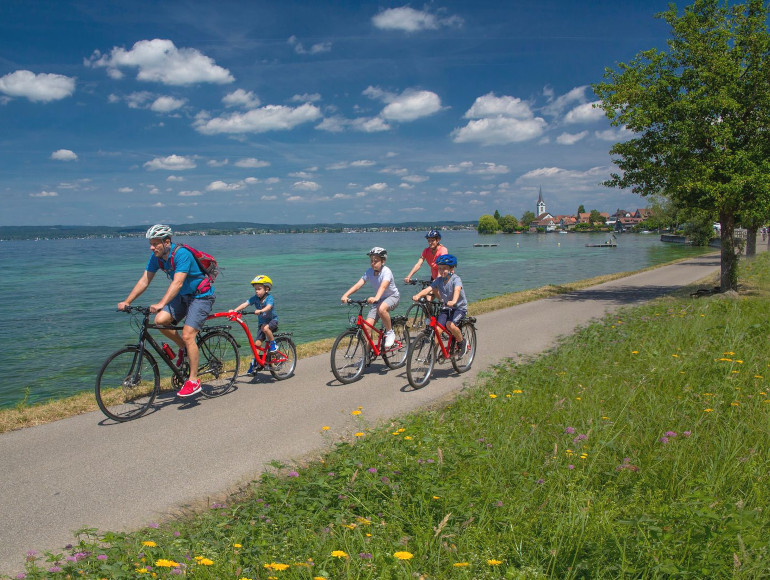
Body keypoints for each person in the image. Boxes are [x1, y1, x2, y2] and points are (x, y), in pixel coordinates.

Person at [117, 224, 215, 397]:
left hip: (201, 296)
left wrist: (162, 302)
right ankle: (184, 348)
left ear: (167, 242)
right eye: (151, 243)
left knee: (188, 334)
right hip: (182, 297)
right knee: (160, 321)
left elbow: (177, 282)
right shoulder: (156, 258)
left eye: (155, 243)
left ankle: (193, 381)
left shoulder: (181, 254)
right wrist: (127, 301)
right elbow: (144, 281)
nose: (151, 247)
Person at [341, 247, 400, 348]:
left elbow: (383, 286)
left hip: (392, 297)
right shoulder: (369, 271)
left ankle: (390, 332)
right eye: (371, 261)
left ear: (383, 261)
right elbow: (358, 285)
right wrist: (346, 295)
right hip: (379, 299)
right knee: (367, 328)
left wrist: (376, 297)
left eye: (376, 261)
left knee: (381, 309)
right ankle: (366, 357)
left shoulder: (386, 271)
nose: (373, 263)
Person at [411, 254, 467, 354]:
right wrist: (418, 295)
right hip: (446, 307)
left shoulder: (456, 279)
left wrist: (454, 301)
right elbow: (429, 289)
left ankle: (461, 342)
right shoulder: (438, 280)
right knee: (438, 329)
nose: (441, 271)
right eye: (439, 269)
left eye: (444, 268)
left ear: (451, 268)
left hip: (459, 308)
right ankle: (433, 355)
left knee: (450, 325)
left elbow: (457, 290)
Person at [230, 275, 278, 374]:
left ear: (267, 289)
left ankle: (273, 345)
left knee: (265, 328)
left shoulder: (269, 298)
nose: (256, 291)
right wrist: (235, 311)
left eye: (259, 289)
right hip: (262, 324)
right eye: (255, 289)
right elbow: (245, 304)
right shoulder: (255, 298)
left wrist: (261, 310)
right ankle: (255, 362)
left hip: (272, 321)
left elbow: (269, 307)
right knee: (257, 344)